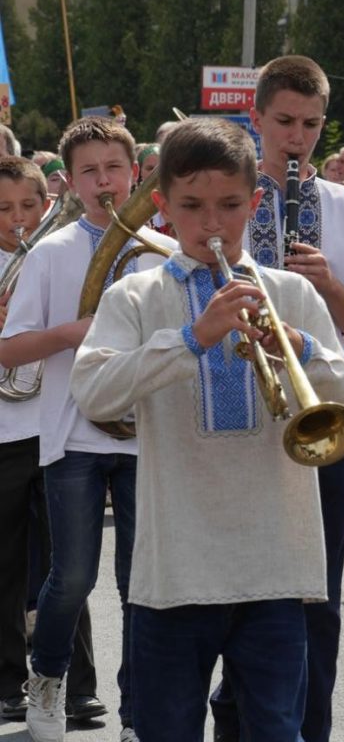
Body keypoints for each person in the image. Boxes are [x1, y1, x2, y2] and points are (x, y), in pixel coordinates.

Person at [70, 117, 344, 742]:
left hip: (277, 566)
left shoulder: (290, 292)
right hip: (176, 570)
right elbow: (92, 389)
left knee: (274, 731)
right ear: (161, 207)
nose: (212, 224)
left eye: (231, 205)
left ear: (255, 202)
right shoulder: (134, 295)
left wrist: (305, 347)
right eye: (192, 207)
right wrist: (191, 338)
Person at [209, 55, 344, 742]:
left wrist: (329, 286)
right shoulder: (225, 200)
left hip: (319, 413)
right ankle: (236, 717)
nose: (298, 136)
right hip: (235, 415)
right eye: (284, 121)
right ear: (255, 118)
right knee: (235, 589)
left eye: (311, 123)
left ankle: (311, 729)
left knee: (319, 592)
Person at [0, 117, 176, 742]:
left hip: (145, 437)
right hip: (72, 438)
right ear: (69, 183)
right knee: (71, 576)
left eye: (114, 168)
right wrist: (75, 332)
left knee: (141, 584)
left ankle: (137, 711)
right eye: (89, 172)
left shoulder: (165, 251)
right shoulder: (51, 252)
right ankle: (47, 678)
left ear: (135, 172)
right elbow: (10, 349)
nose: (104, 181)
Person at [0, 157, 105, 727]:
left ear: (47, 202)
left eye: (28, 206)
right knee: (6, 566)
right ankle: (9, 681)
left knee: (69, 565)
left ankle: (78, 685)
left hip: (52, 425)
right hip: (2, 434)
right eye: (4, 209)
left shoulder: (54, 255)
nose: (18, 219)